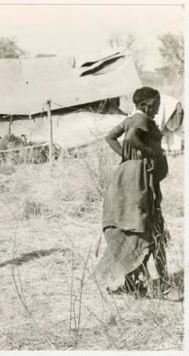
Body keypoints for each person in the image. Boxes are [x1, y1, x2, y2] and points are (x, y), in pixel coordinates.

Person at [96, 86, 178, 300]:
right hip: (141, 182)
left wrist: (127, 159)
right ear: (145, 105)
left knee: (136, 229)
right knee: (151, 229)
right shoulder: (142, 120)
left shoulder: (131, 118)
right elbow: (132, 138)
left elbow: (110, 137)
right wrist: (148, 155)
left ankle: (134, 282)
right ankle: (163, 286)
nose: (158, 109)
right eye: (156, 105)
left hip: (131, 179)